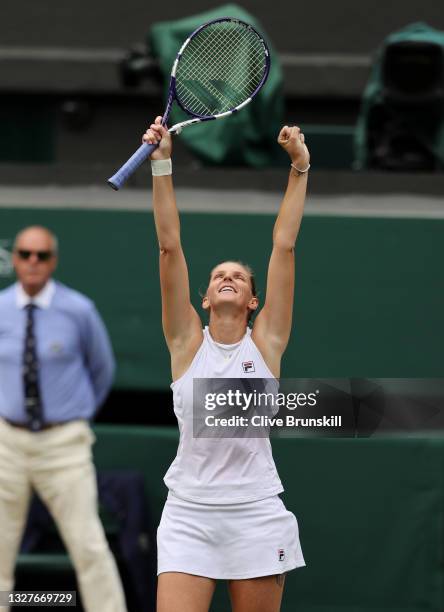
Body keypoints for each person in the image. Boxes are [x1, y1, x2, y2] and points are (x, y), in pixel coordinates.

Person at [143, 116, 310, 612]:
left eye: (239, 276)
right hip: (189, 514)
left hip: (256, 512)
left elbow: (284, 244)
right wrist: (162, 165)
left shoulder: (268, 345)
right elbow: (169, 247)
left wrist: (300, 169)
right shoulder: (185, 345)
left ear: (254, 301)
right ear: (207, 299)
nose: (228, 277)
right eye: (219, 276)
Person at [0, 226, 127, 612]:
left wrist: (76, 415)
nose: (32, 262)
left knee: (88, 545)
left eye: (41, 255)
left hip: (64, 444)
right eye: (24, 254)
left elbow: (101, 370)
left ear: (53, 261)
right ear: (15, 259)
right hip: (7, 442)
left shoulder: (79, 310)